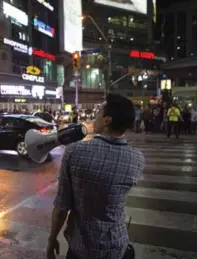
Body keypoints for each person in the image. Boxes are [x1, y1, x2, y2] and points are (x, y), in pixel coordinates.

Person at [47, 93, 145, 259]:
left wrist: (51, 239)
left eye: (98, 112)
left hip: (81, 248)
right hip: (117, 247)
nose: (95, 116)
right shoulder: (137, 159)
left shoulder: (74, 151)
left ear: (107, 120)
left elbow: (62, 206)